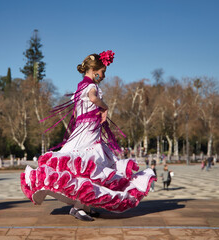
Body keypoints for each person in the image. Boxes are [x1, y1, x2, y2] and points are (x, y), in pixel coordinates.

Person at [20, 51, 156, 221]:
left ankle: (84, 206)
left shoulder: (80, 86)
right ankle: (79, 207)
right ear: (94, 70)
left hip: (84, 130)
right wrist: (104, 107)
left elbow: (77, 113)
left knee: (86, 168)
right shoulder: (92, 87)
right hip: (89, 132)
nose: (103, 75)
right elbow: (93, 98)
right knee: (89, 165)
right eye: (102, 72)